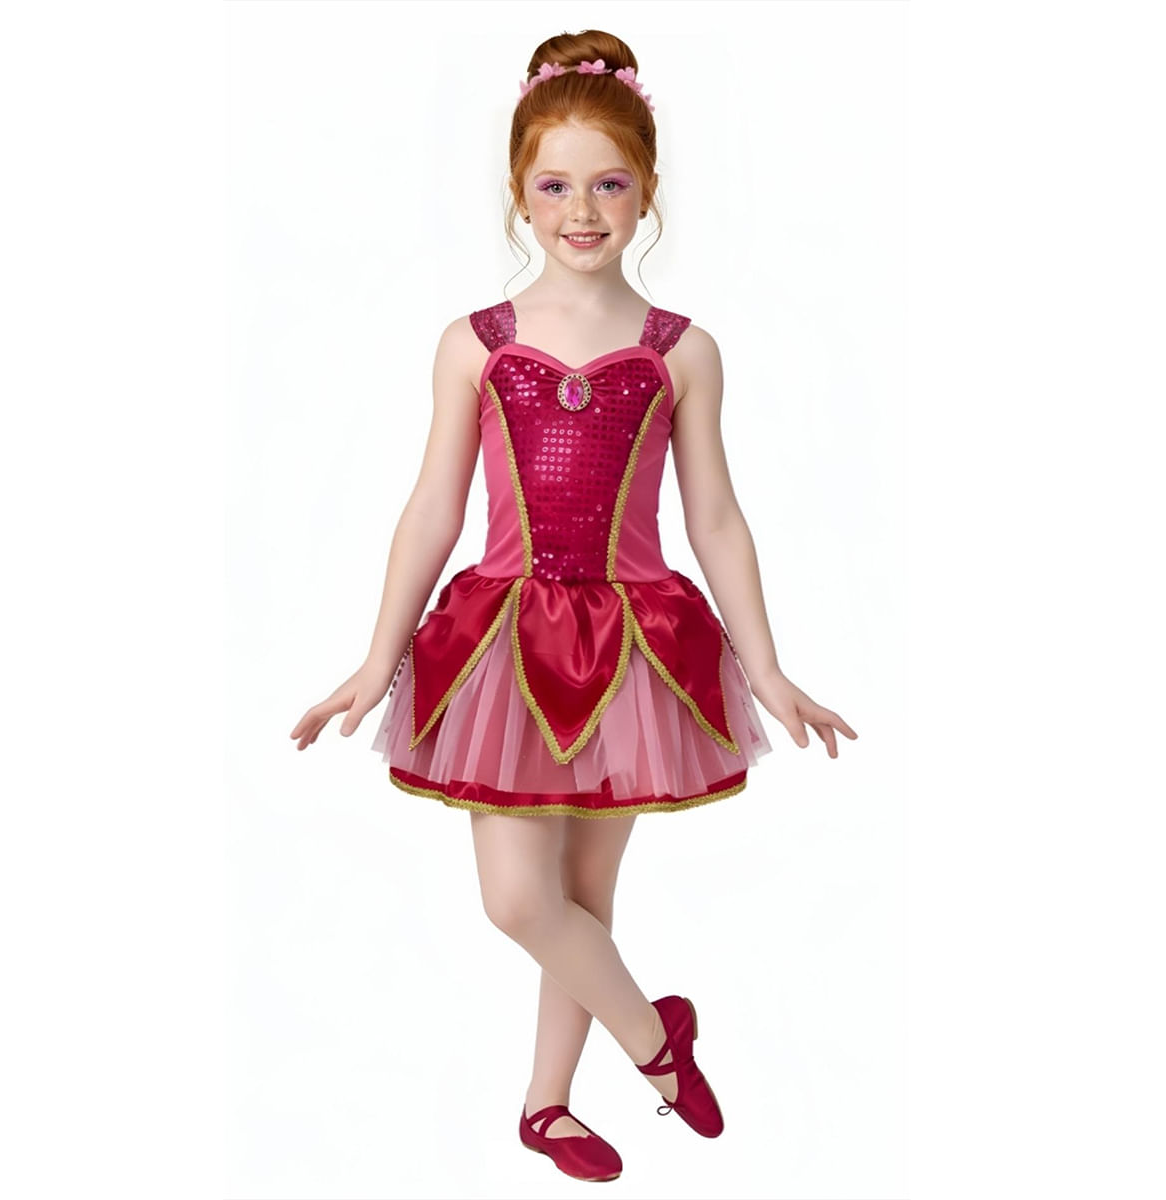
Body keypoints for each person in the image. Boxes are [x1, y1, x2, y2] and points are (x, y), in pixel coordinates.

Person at [290, 29, 858, 1184]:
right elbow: (432, 508)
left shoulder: (682, 351)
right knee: (519, 900)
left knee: (583, 898)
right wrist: (375, 657)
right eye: (555, 186)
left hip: (635, 642)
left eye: (608, 184)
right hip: (504, 642)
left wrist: (767, 667)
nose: (582, 210)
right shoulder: (476, 345)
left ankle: (546, 1107)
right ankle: (658, 1044)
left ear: (646, 191)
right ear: (519, 193)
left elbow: (716, 518)